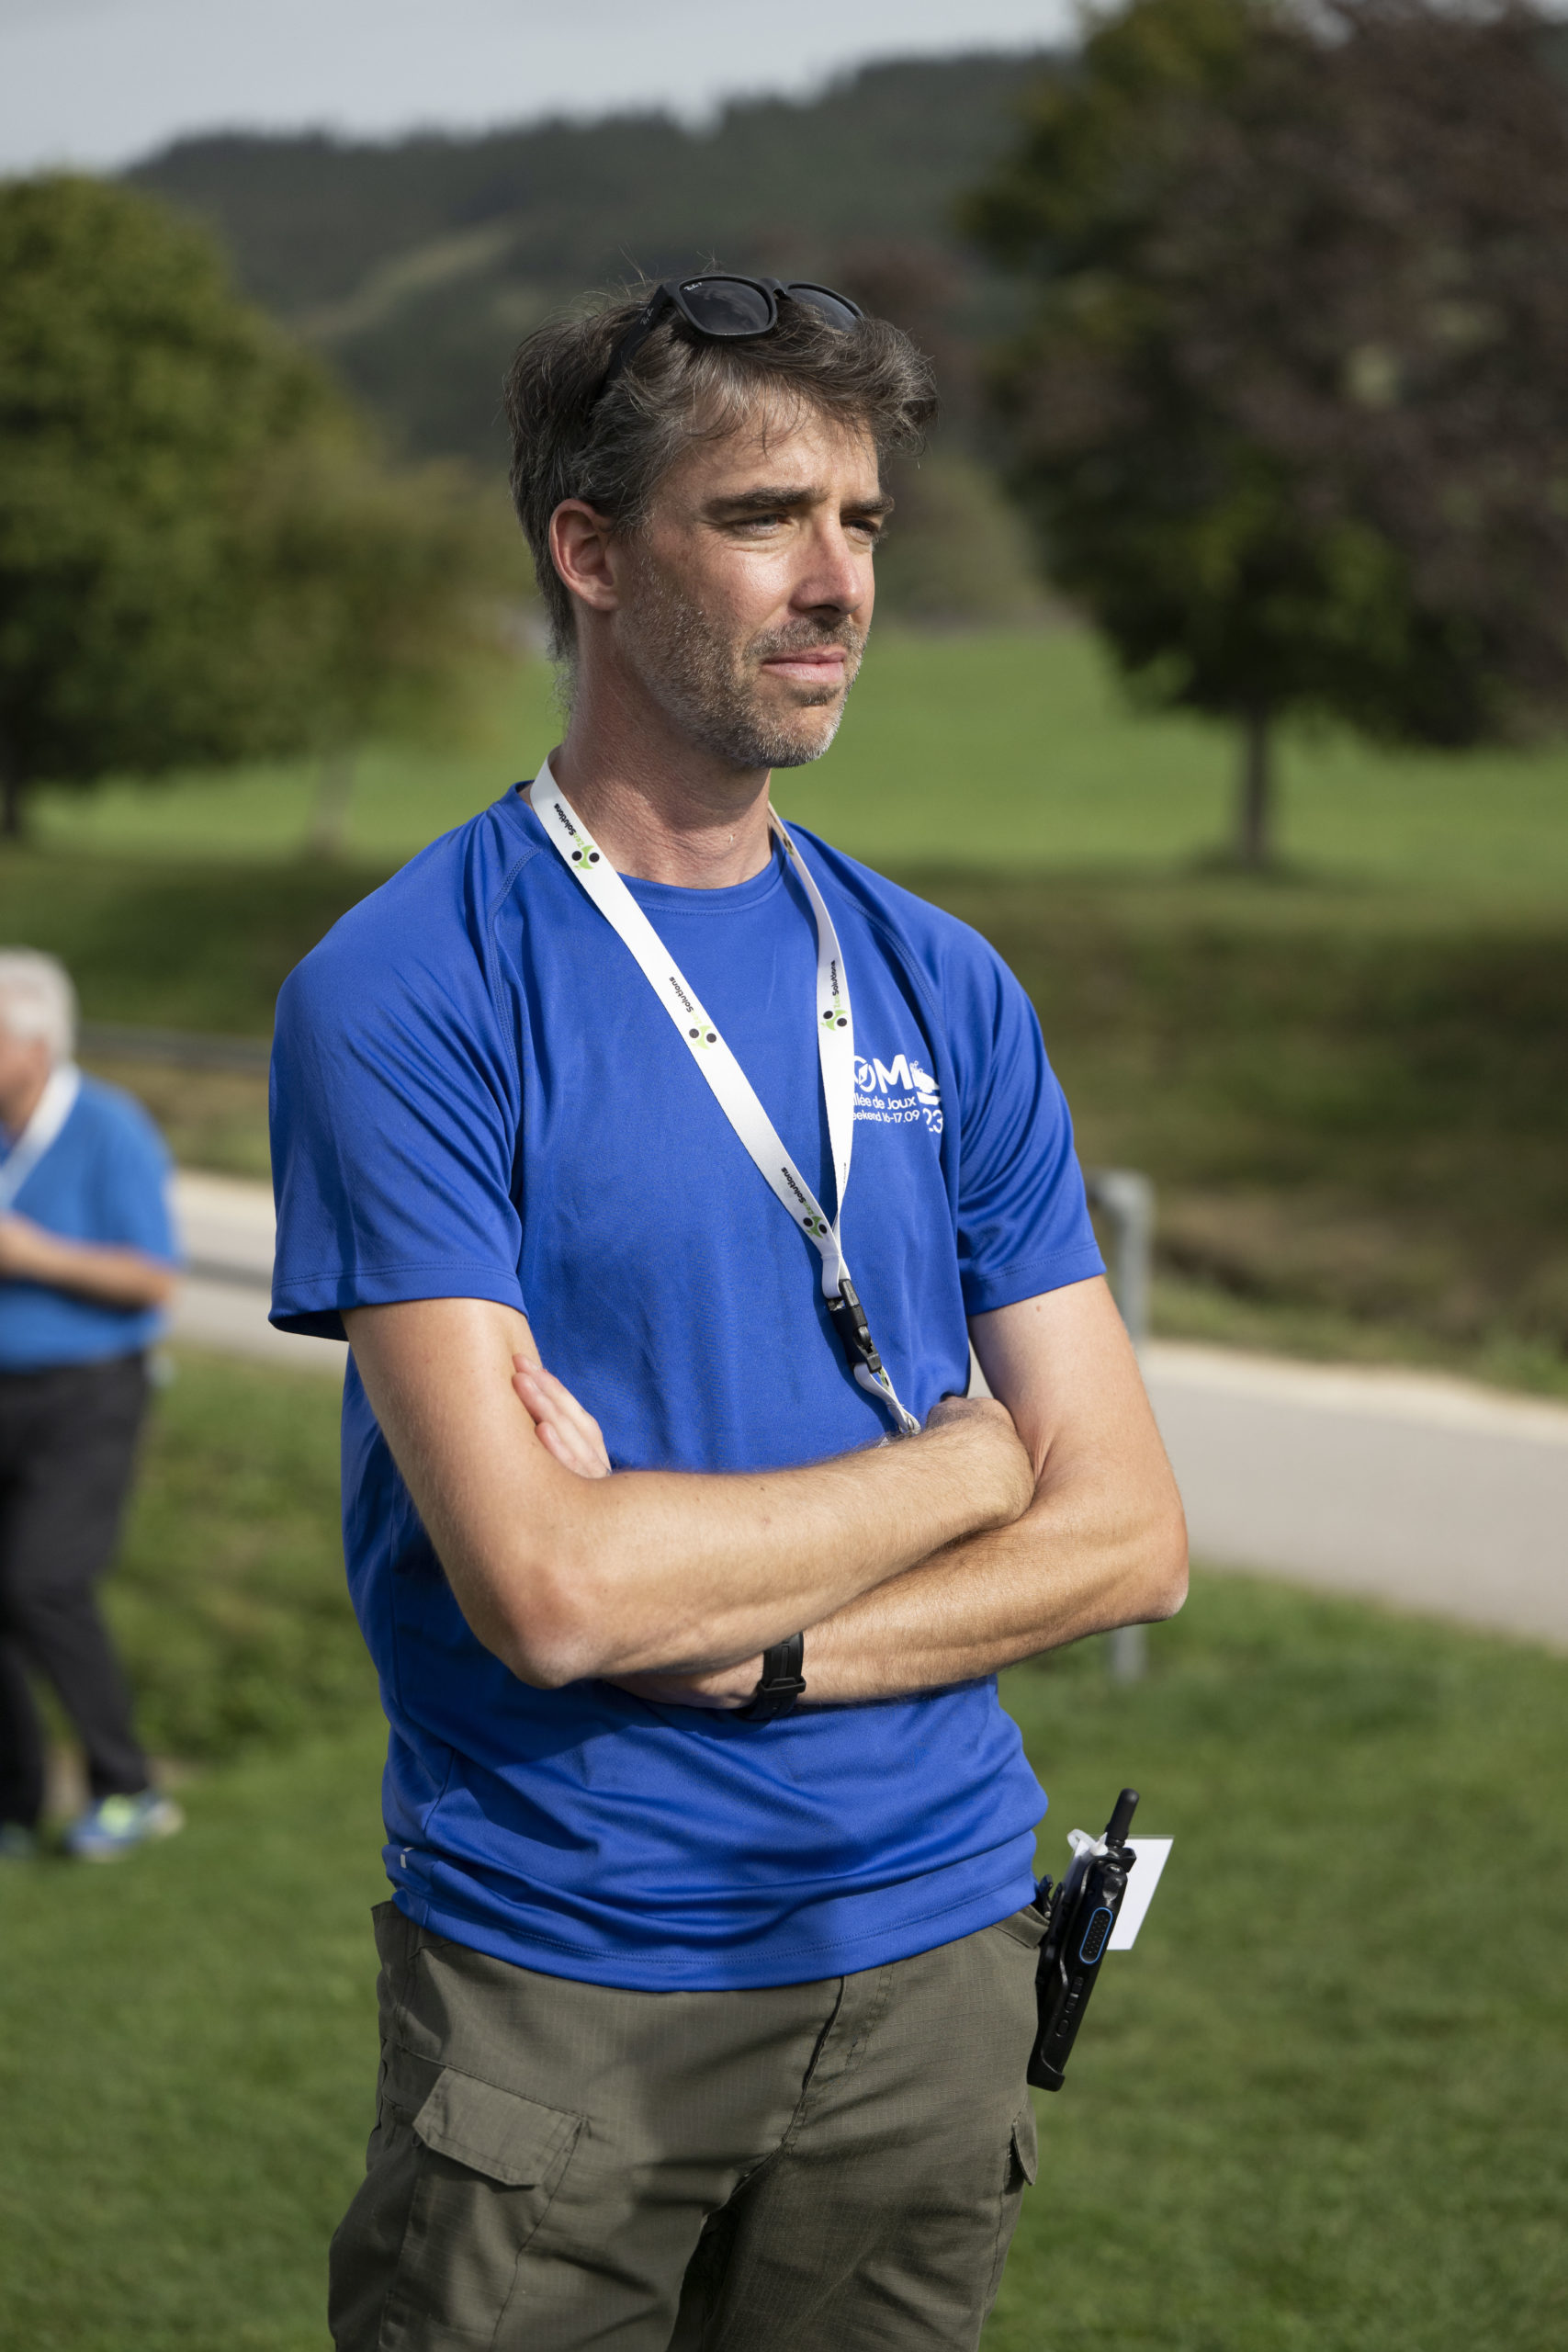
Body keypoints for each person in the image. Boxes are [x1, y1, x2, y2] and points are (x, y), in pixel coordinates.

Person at [270, 276, 1188, 2352]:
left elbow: (1131, 1536)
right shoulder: (409, 989)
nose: (835, 580)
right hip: (573, 1970)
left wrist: (762, 1649)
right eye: (763, 515)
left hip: (938, 1954)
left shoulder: (944, 983)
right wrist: (963, 1468)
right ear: (588, 553)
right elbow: (552, 1594)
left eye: (860, 522)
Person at [0, 951, 184, 1862]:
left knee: (41, 1581)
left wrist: (34, 1255)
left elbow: (154, 1278)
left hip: (89, 1391)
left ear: (34, 1046)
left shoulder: (109, 1127)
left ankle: (129, 1789)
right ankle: (15, 1806)